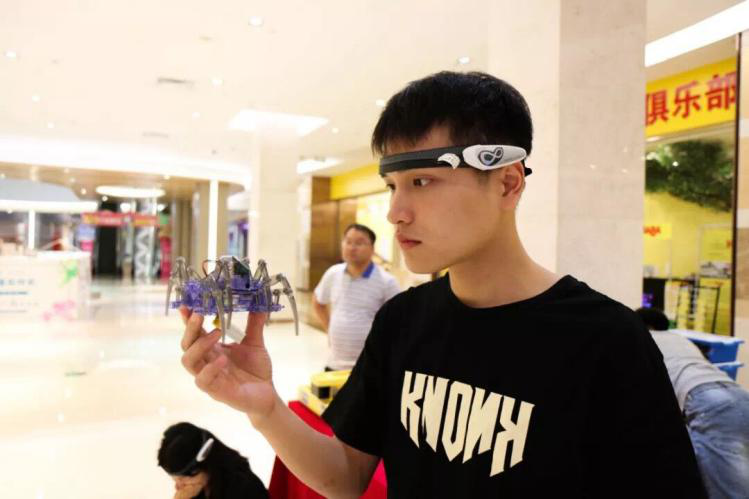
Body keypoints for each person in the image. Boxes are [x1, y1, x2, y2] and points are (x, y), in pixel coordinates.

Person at [178, 71, 705, 497]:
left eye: (422, 181)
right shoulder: (402, 321)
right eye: (393, 185)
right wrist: (265, 408)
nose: (396, 212)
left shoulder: (606, 340)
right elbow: (347, 477)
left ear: (507, 182)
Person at [636, 307, 749, 499]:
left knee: (729, 492)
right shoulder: (681, 339)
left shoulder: (643, 339)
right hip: (738, 395)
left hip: (706, 402)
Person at [312, 223, 401, 370]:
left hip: (370, 367)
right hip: (335, 364)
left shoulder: (387, 282)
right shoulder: (333, 273)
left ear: (372, 249)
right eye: (348, 241)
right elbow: (318, 302)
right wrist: (329, 329)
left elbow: (399, 321)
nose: (352, 247)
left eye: (359, 243)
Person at [157, 422, 268, 499]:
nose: (178, 487)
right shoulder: (197, 488)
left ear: (206, 465)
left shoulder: (244, 488)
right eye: (175, 479)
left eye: (183, 479)